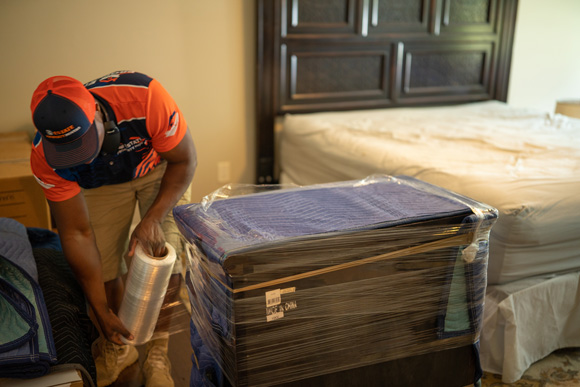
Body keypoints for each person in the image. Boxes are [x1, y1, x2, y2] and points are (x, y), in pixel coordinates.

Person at [29, 71, 197, 387]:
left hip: (158, 168)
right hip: (101, 186)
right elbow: (77, 233)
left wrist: (153, 218)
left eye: (83, 142)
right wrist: (100, 309)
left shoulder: (145, 97)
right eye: (67, 149)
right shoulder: (43, 158)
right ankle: (120, 346)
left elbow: (185, 161)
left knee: (167, 257)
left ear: (95, 111)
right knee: (104, 267)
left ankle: (156, 355)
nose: (78, 154)